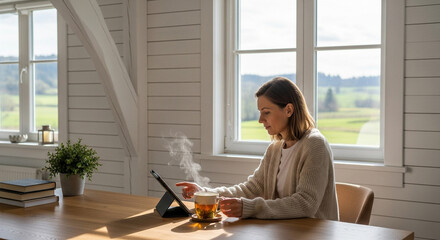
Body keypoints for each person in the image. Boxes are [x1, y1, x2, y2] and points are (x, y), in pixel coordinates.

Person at [176, 77, 339, 220]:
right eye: (260, 112)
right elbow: (251, 188)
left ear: (289, 110)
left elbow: (305, 203)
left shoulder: (315, 144)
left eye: (266, 112)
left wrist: (250, 208)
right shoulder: (275, 149)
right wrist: (207, 194)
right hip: (284, 231)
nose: (261, 120)